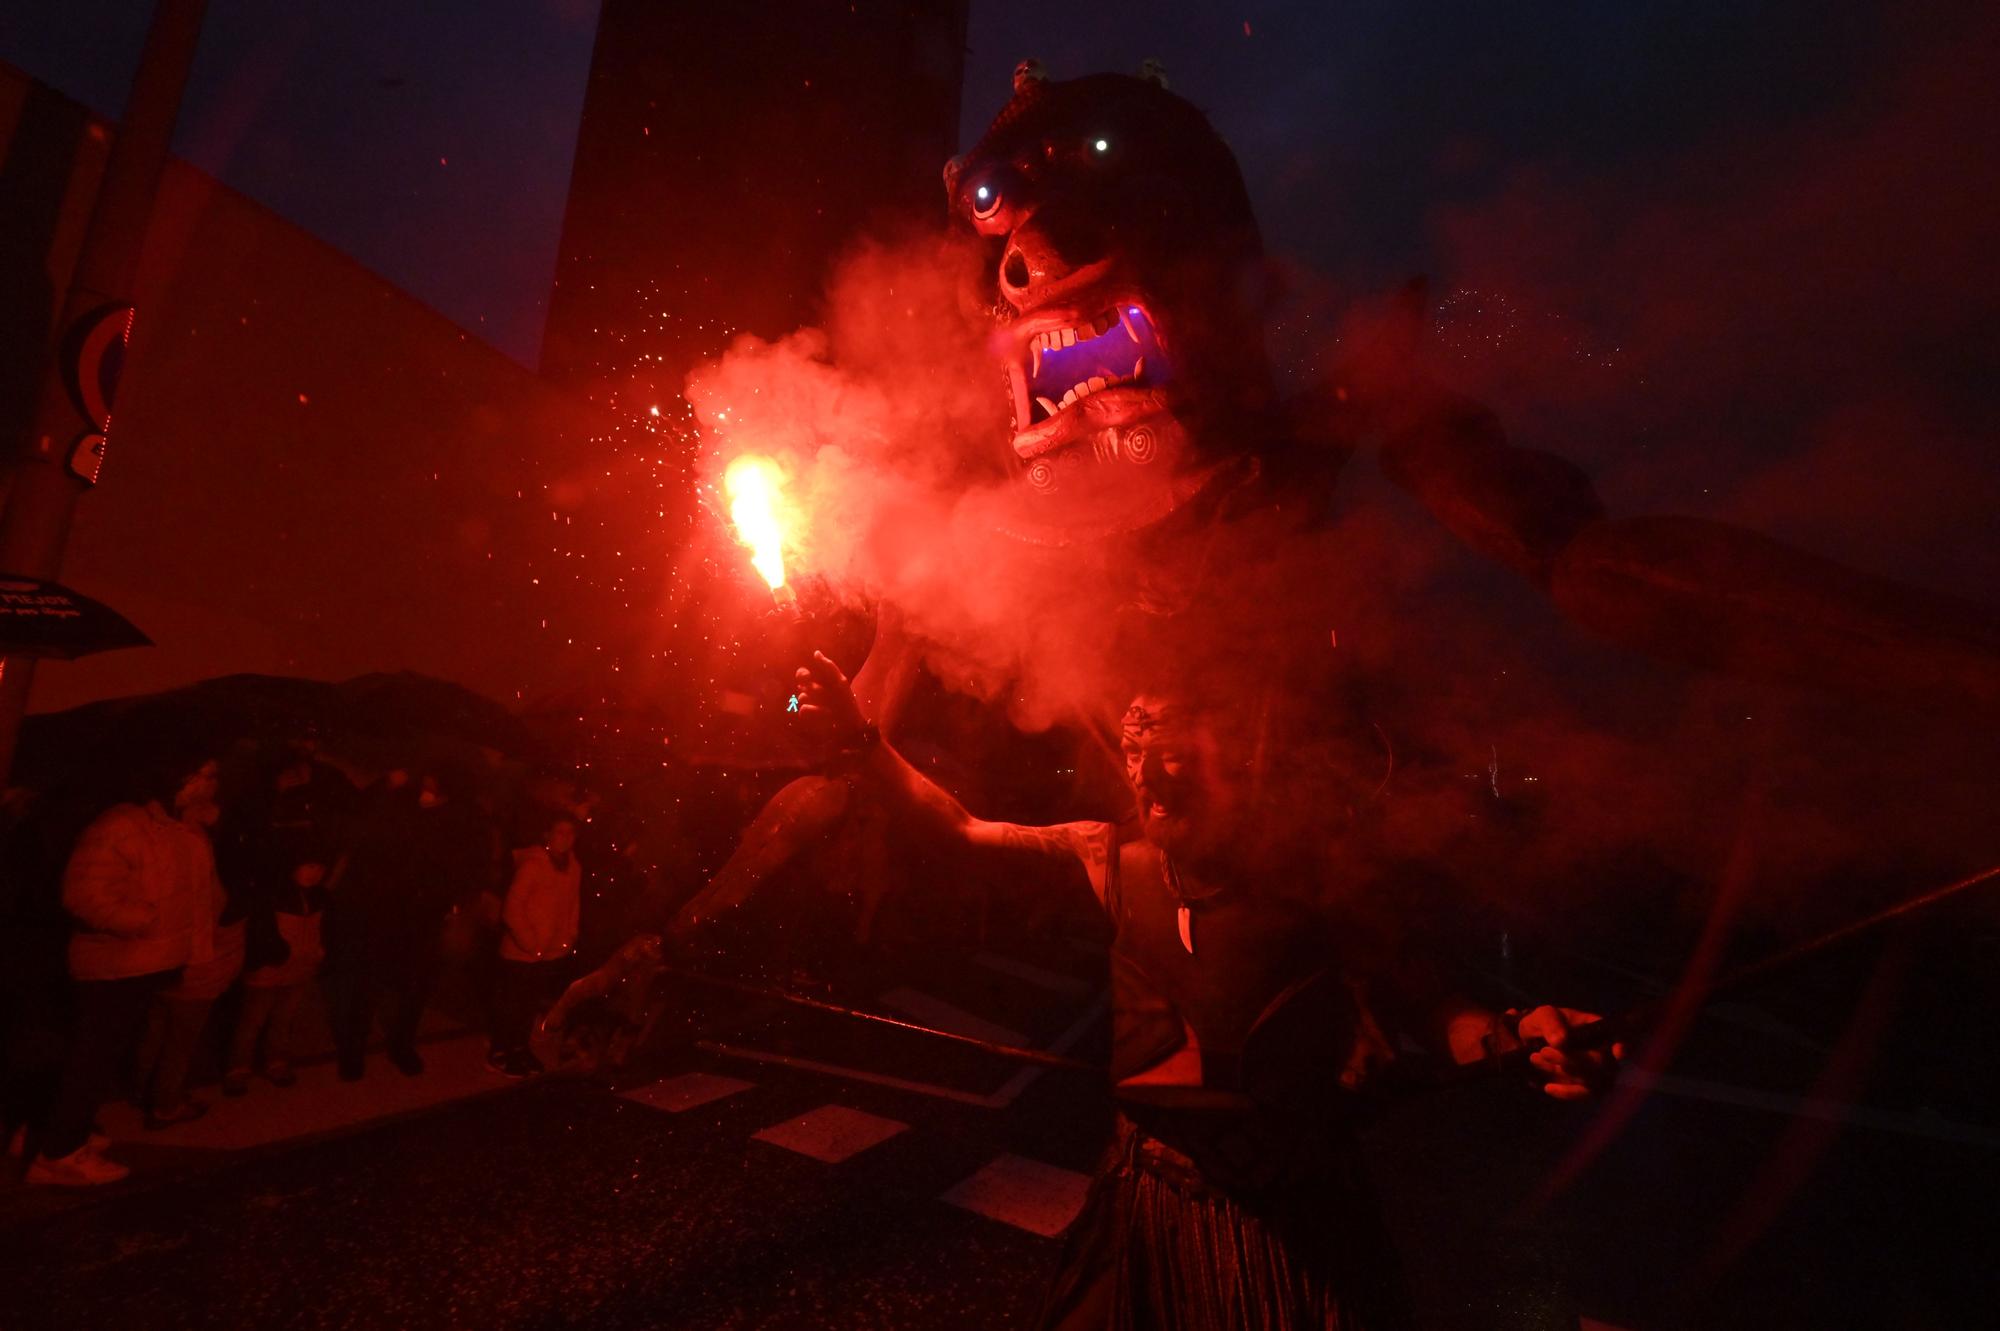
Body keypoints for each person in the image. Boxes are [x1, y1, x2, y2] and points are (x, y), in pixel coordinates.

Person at [790, 651, 1619, 1329]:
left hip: (1291, 1232)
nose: (1154, 772)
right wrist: (865, 741)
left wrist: (1517, 1034)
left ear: (1241, 765)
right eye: (1139, 749)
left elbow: (1440, 1010)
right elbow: (963, 832)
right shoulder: (1108, 857)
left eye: (1179, 748)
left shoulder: (1319, 888)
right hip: (1149, 1204)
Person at [27, 752, 223, 1186]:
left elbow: (196, 893)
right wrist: (143, 922)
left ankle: (55, 1131)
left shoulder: (183, 828)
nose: (211, 782)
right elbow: (85, 893)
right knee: (89, 1061)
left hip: (146, 963)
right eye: (202, 773)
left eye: (213, 773)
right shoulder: (123, 826)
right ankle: (57, 1154)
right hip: (116, 965)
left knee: (95, 1057)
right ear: (175, 776)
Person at [222, 747, 344, 1094]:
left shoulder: (318, 894)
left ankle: (276, 1061)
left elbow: (322, 924)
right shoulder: (273, 889)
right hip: (270, 965)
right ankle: (238, 1067)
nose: (316, 871)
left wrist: (318, 952)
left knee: (284, 1017)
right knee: (252, 1018)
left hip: (301, 967)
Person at [487, 815, 581, 1077]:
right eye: (560, 832)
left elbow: (573, 905)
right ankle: (500, 1050)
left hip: (548, 952)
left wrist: (569, 936)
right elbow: (512, 908)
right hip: (521, 951)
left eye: (570, 833)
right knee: (512, 1003)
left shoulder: (573, 867)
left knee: (529, 1004)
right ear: (547, 835)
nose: (565, 838)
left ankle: (520, 1047)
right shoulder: (533, 865)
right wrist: (530, 942)